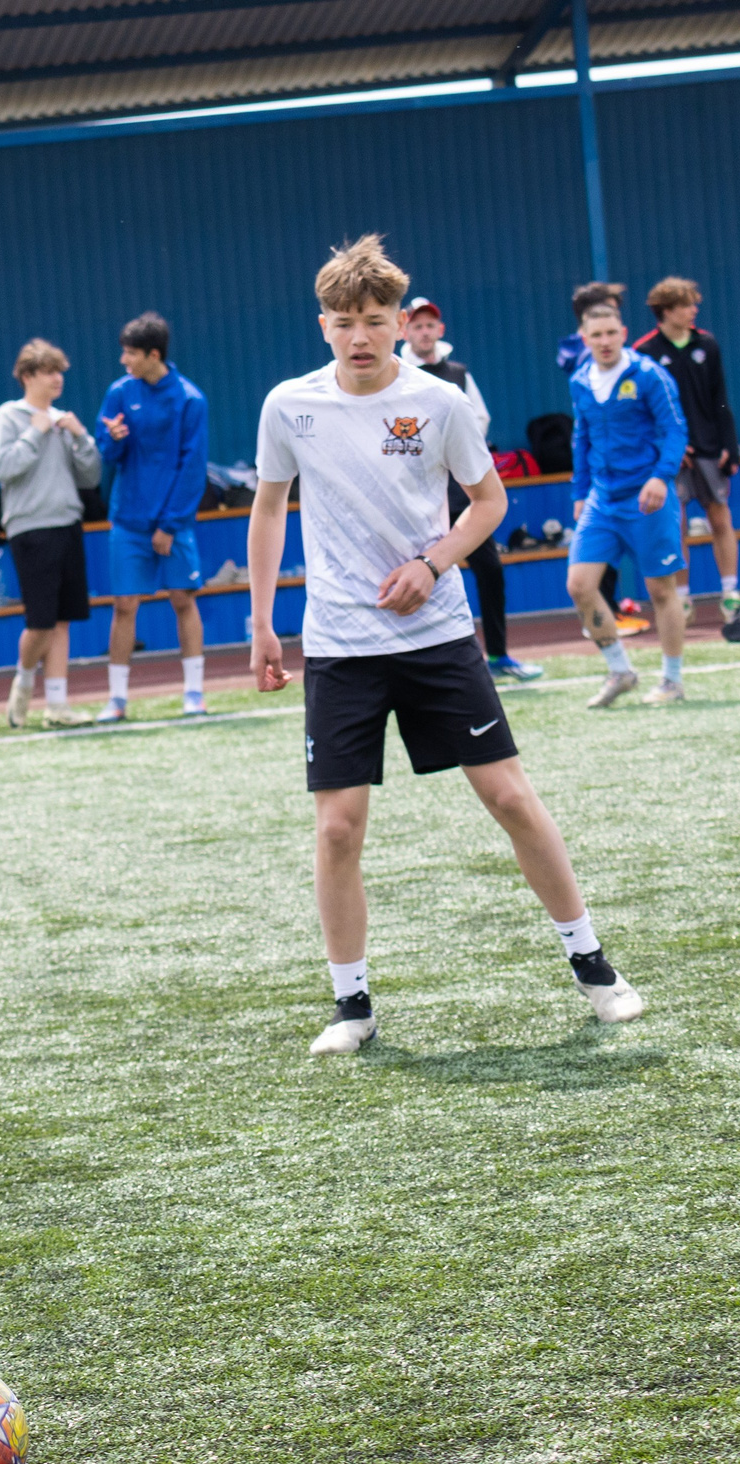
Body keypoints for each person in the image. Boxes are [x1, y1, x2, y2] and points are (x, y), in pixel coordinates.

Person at [246, 235, 643, 1056]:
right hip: (341, 644)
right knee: (338, 829)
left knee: (508, 797)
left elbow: (489, 503)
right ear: (323, 324)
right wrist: (260, 621)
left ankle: (595, 966)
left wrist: (433, 563)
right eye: (346, 322)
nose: (361, 336)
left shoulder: (439, 403)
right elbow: (268, 509)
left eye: (376, 320)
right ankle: (350, 1004)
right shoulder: (289, 406)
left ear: (400, 322)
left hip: (434, 637)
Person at [563, 281, 690, 709]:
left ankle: (672, 680)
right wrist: (580, 492)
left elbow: (675, 429)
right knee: (580, 585)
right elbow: (581, 439)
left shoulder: (649, 374)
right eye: (595, 336)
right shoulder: (581, 381)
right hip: (602, 500)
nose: (603, 342)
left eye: (611, 334)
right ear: (584, 338)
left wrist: (661, 477)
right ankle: (620, 670)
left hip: (647, 498)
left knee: (660, 590)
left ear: (623, 333)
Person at [400, 298, 539, 682]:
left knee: (490, 571)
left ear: (439, 331)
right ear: (405, 330)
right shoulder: (396, 375)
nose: (424, 332)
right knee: (423, 577)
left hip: (462, 498)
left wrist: (454, 451)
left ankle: (498, 655)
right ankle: (423, 662)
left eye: (430, 325)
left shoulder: (458, 373)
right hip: (418, 498)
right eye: (417, 325)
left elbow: (478, 420)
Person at [97, 312, 210, 720]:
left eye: (131, 353)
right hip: (127, 520)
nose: (124, 361)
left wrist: (169, 525)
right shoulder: (119, 393)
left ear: (153, 354)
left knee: (183, 599)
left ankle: (194, 693)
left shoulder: (190, 399)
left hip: (172, 524)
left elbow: (192, 466)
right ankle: (117, 699)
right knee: (124, 604)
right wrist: (112, 441)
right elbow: (105, 452)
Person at [0, 338, 102, 728]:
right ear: (27, 376)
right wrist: (34, 433)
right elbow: (3, 468)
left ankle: (57, 705)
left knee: (64, 620)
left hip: (67, 524)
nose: (58, 379)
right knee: (40, 622)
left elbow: (91, 476)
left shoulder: (61, 419)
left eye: (60, 372)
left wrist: (81, 436)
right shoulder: (8, 416)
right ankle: (22, 685)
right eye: (50, 372)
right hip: (29, 528)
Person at [631, 278, 740, 614]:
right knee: (675, 524)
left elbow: (720, 398)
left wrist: (730, 445)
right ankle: (683, 598)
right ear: (665, 311)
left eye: (694, 304)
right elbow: (644, 412)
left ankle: (730, 592)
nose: (693, 310)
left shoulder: (707, 344)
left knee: (720, 518)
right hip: (670, 455)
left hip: (709, 449)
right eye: (686, 305)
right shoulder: (645, 352)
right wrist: (671, 447)